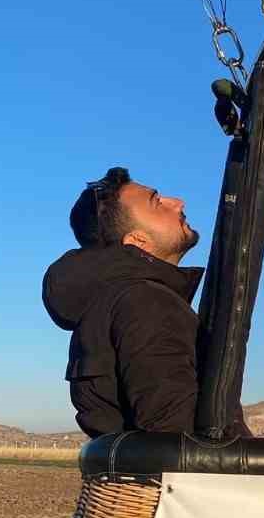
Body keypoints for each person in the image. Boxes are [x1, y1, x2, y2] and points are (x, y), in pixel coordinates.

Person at [42, 167, 205, 438]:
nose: (177, 202)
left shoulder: (117, 300)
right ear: (137, 241)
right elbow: (173, 437)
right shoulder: (146, 302)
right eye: (156, 202)